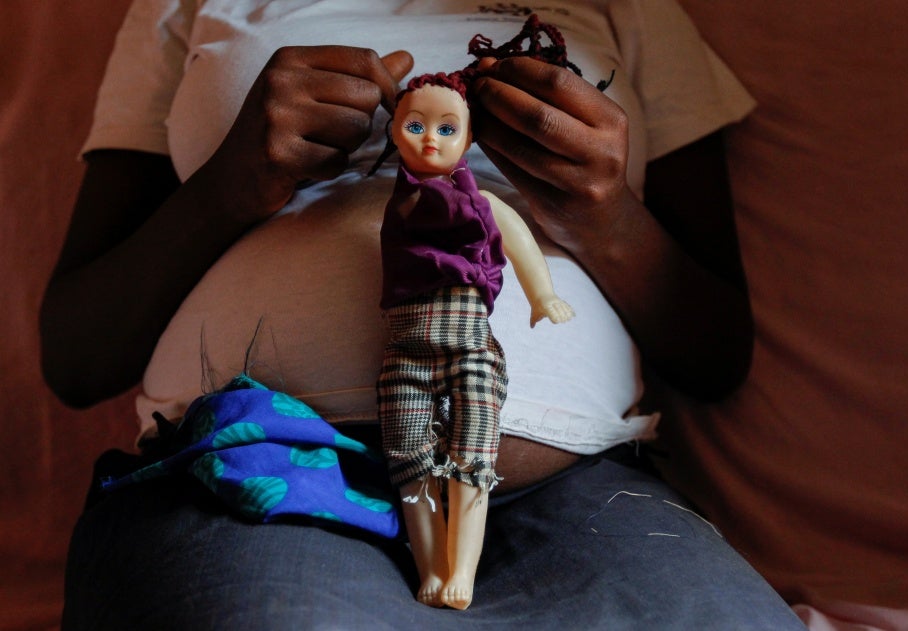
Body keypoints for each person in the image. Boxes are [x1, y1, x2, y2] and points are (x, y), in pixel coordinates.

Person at [40, 1, 806, 628]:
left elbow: (715, 353)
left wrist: (607, 220)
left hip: (583, 492)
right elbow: (76, 356)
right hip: (262, 470)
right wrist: (228, 186)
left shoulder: (633, 8)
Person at [378, 57, 574, 609]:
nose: (431, 141)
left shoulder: (479, 204)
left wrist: (544, 296)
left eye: (447, 129)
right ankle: (431, 568)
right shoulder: (404, 205)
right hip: (406, 349)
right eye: (416, 127)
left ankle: (459, 570)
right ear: (394, 130)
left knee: (472, 453)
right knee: (409, 455)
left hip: (468, 343)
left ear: (467, 139)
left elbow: (517, 242)